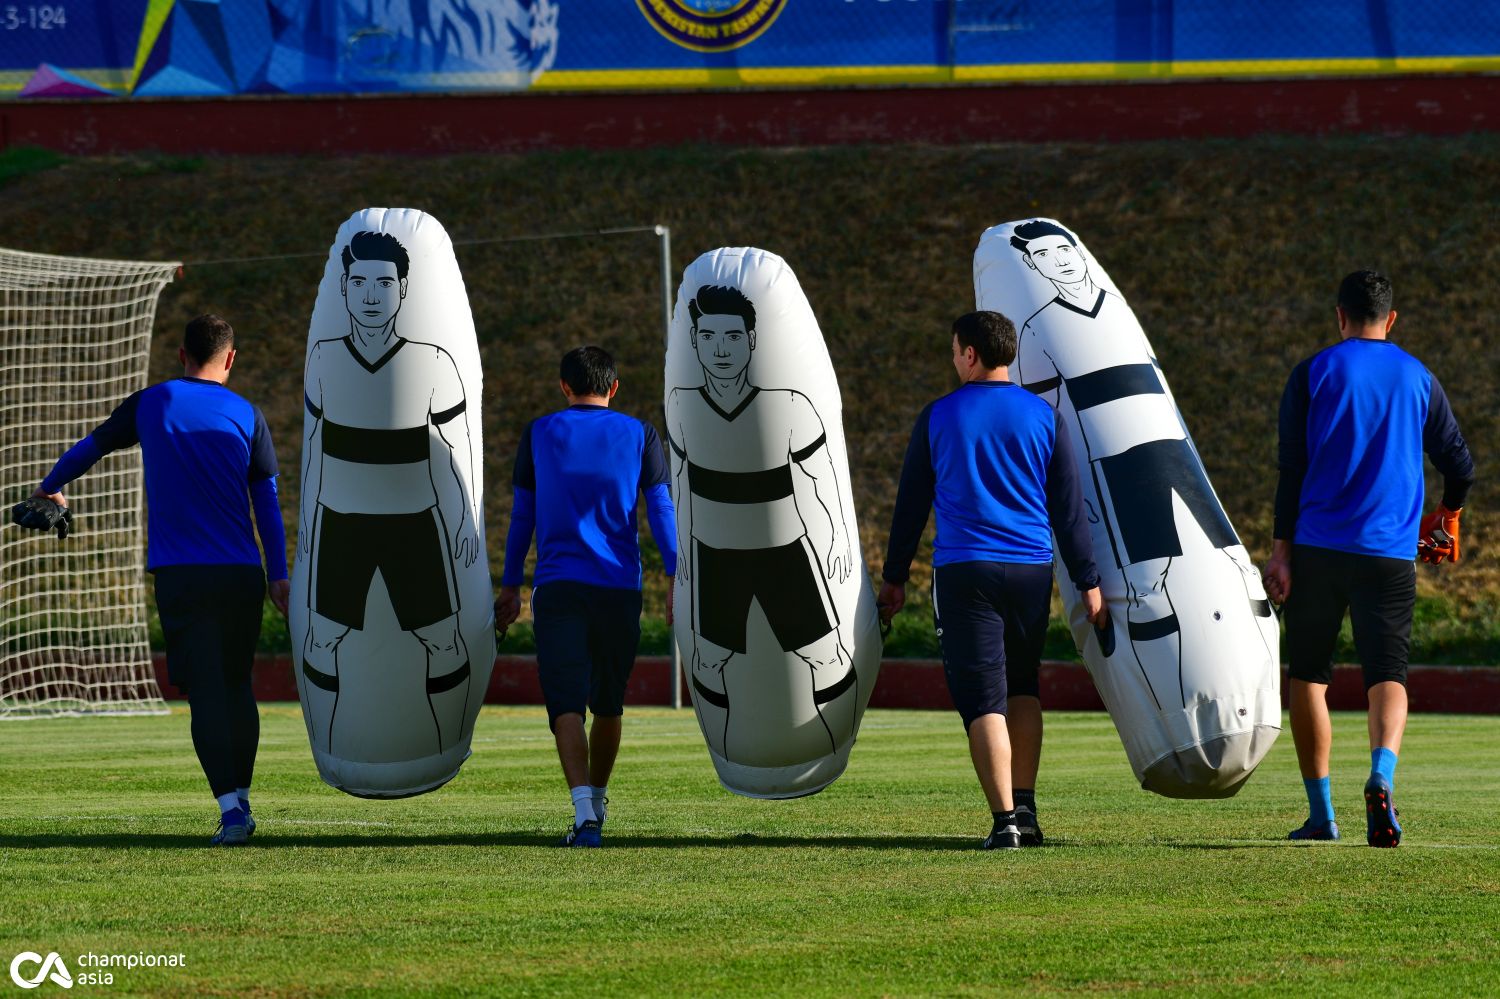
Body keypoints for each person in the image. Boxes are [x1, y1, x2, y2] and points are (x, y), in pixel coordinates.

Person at [28, 314, 289, 846]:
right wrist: (279, 577)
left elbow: (93, 445)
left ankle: (231, 810)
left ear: (181, 354)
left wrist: (51, 486)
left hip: (182, 575)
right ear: (231, 359)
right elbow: (268, 503)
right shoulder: (247, 414)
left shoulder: (154, 402)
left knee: (205, 692)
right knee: (237, 687)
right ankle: (241, 799)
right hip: (241, 574)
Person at [878, 311, 1106, 850]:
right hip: (1031, 570)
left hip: (965, 572)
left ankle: (1004, 822)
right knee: (1024, 687)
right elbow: (1068, 511)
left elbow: (910, 508)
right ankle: (1025, 809)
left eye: (954, 350)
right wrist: (1089, 582)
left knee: (984, 700)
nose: (953, 358)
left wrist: (894, 580)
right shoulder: (1044, 416)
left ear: (970, 354)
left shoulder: (938, 416)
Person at [1265, 270, 1473, 848]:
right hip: (1389, 555)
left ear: (1340, 317)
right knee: (1389, 674)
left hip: (1318, 550)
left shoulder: (1312, 373)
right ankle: (1381, 776)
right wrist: (1446, 520)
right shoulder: (1418, 378)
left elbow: (1291, 470)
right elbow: (1461, 468)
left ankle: (1321, 814)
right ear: (1392, 318)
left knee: (1308, 676)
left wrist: (1281, 554)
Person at [298, 229, 479, 756]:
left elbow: (455, 453)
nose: (372, 294)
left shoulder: (434, 363)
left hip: (412, 526)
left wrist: (463, 520)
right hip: (342, 525)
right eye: (360, 283)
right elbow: (314, 445)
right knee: (322, 638)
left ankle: (445, 746)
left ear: (403, 289)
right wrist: (307, 520)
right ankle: (332, 747)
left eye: (384, 282)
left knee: (443, 640)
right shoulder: (325, 360)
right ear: (345, 290)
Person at [664, 284, 857, 760]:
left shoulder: (789, 405)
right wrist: (684, 554)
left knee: (825, 655)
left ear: (753, 340)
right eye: (709, 336)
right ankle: (731, 756)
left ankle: (829, 750)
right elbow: (681, 488)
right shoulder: (682, 407)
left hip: (783, 555)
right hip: (715, 556)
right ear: (694, 343)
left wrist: (833, 534)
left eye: (733, 336)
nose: (721, 349)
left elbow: (823, 475)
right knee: (710, 660)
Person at [496, 346, 677, 848]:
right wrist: (679, 576)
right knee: (609, 703)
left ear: (564, 386)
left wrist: (511, 585)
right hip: (620, 589)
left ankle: (584, 815)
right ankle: (596, 802)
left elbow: (521, 518)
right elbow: (661, 509)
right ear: (614, 387)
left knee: (566, 704)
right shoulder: (641, 434)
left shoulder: (538, 433)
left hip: (559, 588)